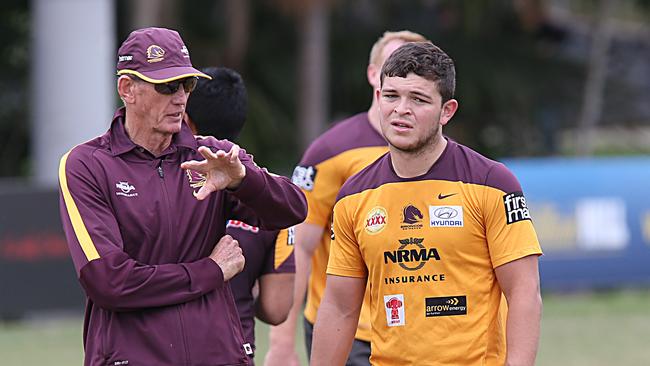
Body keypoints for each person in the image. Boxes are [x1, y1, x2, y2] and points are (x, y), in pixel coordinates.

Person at [58, 27, 306, 366]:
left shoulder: (213, 155)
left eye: (187, 84)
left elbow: (293, 209)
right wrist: (210, 271)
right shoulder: (86, 165)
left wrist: (242, 181)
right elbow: (109, 282)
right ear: (127, 89)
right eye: (167, 86)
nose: (180, 97)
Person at [310, 42, 543, 365]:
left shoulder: (492, 182)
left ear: (447, 111)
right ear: (378, 99)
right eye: (391, 96)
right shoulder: (353, 196)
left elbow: (524, 293)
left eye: (418, 99)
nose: (401, 109)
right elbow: (340, 306)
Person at [265, 30, 427, 366]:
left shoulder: (439, 156)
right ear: (373, 75)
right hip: (346, 332)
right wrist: (281, 344)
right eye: (393, 68)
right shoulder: (330, 152)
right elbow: (299, 247)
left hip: (416, 332)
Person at [185, 66, 296, 364]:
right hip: (235, 348)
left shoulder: (168, 182)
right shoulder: (269, 198)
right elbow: (276, 309)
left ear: (186, 118)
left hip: (171, 346)